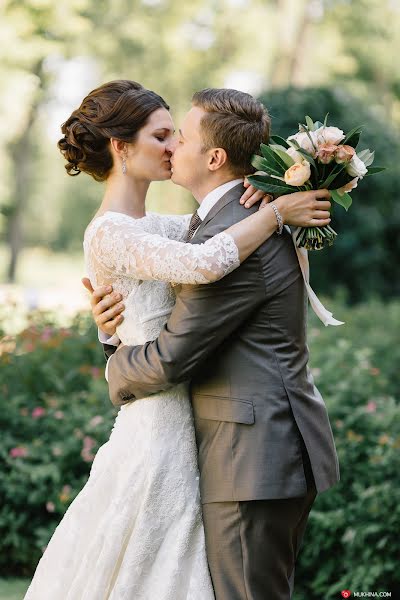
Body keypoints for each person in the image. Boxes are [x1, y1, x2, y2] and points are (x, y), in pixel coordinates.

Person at [24, 79, 333, 600]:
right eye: (163, 135)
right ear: (121, 147)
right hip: (174, 434)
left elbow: (184, 321)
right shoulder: (133, 231)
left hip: (237, 448)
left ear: (213, 157)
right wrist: (108, 330)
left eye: (179, 136)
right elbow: (201, 260)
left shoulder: (205, 225)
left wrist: (271, 200)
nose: (172, 148)